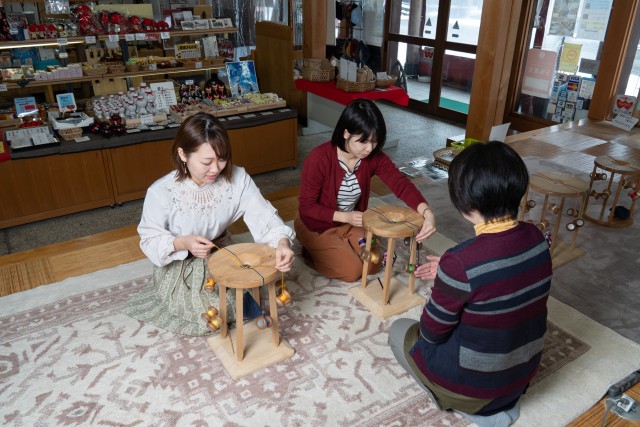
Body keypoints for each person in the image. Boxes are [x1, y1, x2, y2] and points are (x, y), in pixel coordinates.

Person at [388, 141, 552, 426]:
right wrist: (455, 275)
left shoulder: (461, 262)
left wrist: (451, 277)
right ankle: (492, 403)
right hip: (520, 377)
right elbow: (500, 275)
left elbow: (432, 332)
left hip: (477, 388)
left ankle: (469, 408)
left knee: (399, 331)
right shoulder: (537, 238)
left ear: (466, 202)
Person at [123, 112, 295, 336]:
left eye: (222, 159)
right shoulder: (161, 191)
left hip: (222, 253)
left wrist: (282, 243)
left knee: (242, 296)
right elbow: (149, 239)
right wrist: (183, 242)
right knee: (213, 311)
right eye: (207, 162)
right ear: (183, 154)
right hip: (184, 261)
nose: (216, 169)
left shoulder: (237, 178)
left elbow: (263, 215)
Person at [295, 98, 436, 282]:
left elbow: (400, 184)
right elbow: (307, 207)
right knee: (352, 271)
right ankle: (312, 251)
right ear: (346, 133)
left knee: (372, 265)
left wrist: (427, 212)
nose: (369, 148)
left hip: (351, 223)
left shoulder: (372, 157)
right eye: (363, 142)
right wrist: (345, 217)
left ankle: (338, 247)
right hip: (316, 224)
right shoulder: (318, 159)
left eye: (375, 142)